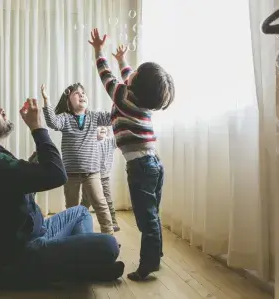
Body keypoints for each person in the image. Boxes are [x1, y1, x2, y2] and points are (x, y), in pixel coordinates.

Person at [0, 93, 124, 290]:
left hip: (35, 234)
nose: (2, 110)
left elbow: (21, 178)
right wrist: (37, 127)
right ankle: (82, 265)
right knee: (109, 245)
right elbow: (57, 175)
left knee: (81, 212)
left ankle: (80, 264)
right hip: (18, 259)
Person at [88, 28, 176, 281]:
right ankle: (155, 256)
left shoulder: (123, 97)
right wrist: (122, 61)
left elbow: (106, 77)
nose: (130, 73)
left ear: (136, 84)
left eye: (134, 73)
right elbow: (127, 76)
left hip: (141, 166)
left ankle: (147, 266)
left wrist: (99, 51)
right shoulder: (140, 99)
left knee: (145, 219)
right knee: (152, 215)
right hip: (153, 164)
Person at [41, 83, 115, 235]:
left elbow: (111, 117)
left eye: (83, 93)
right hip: (71, 174)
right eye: (77, 93)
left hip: (92, 172)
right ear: (68, 101)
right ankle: (75, 238)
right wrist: (47, 100)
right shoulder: (65, 118)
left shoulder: (94, 117)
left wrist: (118, 99)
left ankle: (109, 237)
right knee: (72, 209)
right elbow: (52, 122)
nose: (82, 95)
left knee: (101, 205)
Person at [81, 126, 120, 232]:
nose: (103, 128)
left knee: (108, 200)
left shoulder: (110, 141)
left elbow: (119, 136)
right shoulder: (89, 142)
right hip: (90, 177)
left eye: (105, 126)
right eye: (99, 126)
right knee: (86, 201)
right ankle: (78, 222)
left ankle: (113, 222)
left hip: (104, 177)